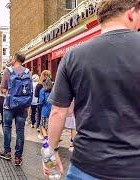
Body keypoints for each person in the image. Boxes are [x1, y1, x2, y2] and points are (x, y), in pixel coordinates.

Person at [45, 1, 140, 179]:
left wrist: (51, 152)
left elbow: (57, 112)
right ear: (131, 13)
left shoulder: (73, 55)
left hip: (87, 165)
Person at [0, 53, 32, 166]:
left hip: (9, 104)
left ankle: (7, 152)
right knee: (20, 131)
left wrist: (9, 92)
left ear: (15, 59)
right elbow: (29, 90)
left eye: (12, 57)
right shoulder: (28, 72)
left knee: (7, 127)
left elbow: (3, 88)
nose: (11, 59)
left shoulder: (8, 71)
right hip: (23, 106)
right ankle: (18, 157)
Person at [35, 70, 51, 139]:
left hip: (44, 110)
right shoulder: (54, 89)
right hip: (52, 110)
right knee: (50, 125)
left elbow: (41, 101)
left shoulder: (42, 90)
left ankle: (45, 140)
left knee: (42, 125)